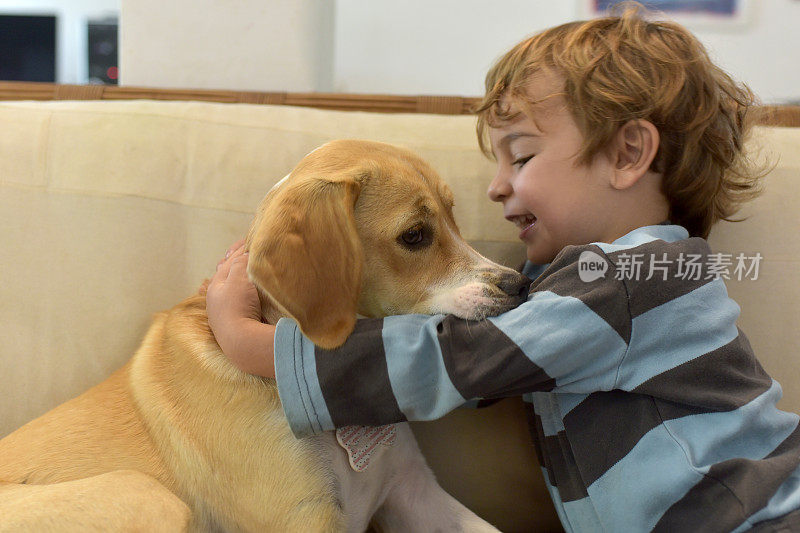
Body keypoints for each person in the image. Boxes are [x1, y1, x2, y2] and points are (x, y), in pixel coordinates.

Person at [206, 4, 800, 531]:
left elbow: (459, 360)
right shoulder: (603, 282)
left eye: (520, 156)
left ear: (627, 155)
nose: (495, 187)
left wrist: (250, 344)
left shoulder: (631, 281)